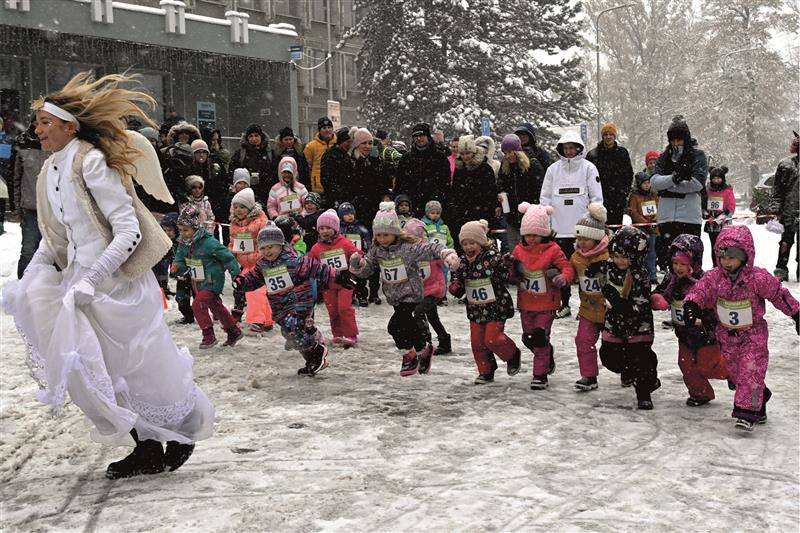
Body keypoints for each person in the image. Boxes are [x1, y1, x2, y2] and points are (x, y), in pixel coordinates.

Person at [1, 71, 213, 479]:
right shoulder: (51, 170)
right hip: (81, 284)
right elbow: (55, 234)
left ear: (69, 126)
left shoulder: (91, 161)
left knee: (142, 367)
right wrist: (34, 274)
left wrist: (92, 277)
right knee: (97, 371)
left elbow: (128, 230)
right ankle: (146, 446)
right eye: (37, 122)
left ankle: (183, 429)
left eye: (45, 122)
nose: (37, 129)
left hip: (118, 285)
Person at [683, 225, 800, 431]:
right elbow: (699, 290)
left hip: (752, 335)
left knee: (750, 370)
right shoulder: (714, 277)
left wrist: (796, 314)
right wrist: (692, 305)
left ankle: (746, 412)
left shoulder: (757, 278)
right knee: (738, 374)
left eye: (732, 258)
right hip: (726, 336)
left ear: (746, 256)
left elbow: (778, 295)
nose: (726, 263)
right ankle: (760, 398)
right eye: (723, 257)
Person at [349, 202, 459, 375]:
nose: (383, 239)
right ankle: (424, 350)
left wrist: (447, 253)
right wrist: (358, 264)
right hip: (394, 297)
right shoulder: (377, 250)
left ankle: (409, 356)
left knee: (394, 327)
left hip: (411, 294)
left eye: (386, 234)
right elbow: (368, 268)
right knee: (408, 327)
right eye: (379, 235)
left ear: (395, 233)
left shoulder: (407, 248)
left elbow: (430, 248)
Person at [234, 222, 353, 375]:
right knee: (289, 334)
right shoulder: (262, 265)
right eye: (263, 248)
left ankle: (316, 351)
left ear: (280, 244)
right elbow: (253, 279)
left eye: (271, 247)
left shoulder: (293, 260)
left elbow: (317, 268)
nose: (267, 251)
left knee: (293, 328)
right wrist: (242, 282)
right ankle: (311, 358)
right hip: (280, 307)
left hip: (299, 303)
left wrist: (338, 276)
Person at [650, 234, 728, 407]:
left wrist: (703, 319)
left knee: (708, 366)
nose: (678, 268)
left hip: (706, 334)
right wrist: (658, 299)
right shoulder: (671, 280)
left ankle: (731, 371)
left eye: (683, 264)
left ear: (694, 263)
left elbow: (717, 307)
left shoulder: (705, 281)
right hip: (684, 334)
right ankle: (700, 393)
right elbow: (660, 292)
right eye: (675, 263)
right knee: (686, 365)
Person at [539, 130, 603, 319]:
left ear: (578, 148)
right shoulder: (553, 170)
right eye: (565, 148)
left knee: (586, 270)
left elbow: (596, 198)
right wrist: (546, 219)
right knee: (563, 270)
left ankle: (586, 305)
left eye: (571, 148)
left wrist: (593, 220)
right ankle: (564, 304)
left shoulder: (589, 168)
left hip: (582, 230)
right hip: (559, 229)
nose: (568, 151)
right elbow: (545, 197)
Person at [511, 204, 574, 389]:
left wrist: (563, 278)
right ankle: (547, 353)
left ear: (545, 233)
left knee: (539, 337)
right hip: (526, 302)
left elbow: (567, 267)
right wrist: (512, 271)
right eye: (528, 234)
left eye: (535, 235)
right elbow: (511, 271)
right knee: (528, 338)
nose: (531, 239)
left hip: (547, 303)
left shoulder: (553, 250)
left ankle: (540, 375)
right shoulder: (519, 250)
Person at [449, 219, 519, 384]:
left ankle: (512, 354)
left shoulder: (492, 257)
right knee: (477, 343)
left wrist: (507, 266)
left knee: (493, 338)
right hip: (475, 309)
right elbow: (457, 279)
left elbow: (505, 276)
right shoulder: (462, 262)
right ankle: (486, 371)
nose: (468, 247)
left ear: (481, 242)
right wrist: (456, 287)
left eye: (472, 243)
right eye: (465, 244)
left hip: (496, 306)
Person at [599, 226, 660, 410]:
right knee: (609, 357)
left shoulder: (640, 276)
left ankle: (644, 391)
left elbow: (637, 306)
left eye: (625, 257)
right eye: (616, 256)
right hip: (614, 325)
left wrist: (617, 301)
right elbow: (603, 266)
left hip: (637, 326)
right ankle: (631, 372)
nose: (620, 261)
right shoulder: (611, 267)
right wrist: (595, 267)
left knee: (640, 360)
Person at [173, 205, 243, 349]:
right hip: (197, 281)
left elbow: (228, 257)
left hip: (212, 279)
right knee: (216, 307)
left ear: (195, 227)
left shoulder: (209, 242)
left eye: (185, 230)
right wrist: (177, 266)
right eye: (180, 230)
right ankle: (233, 330)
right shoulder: (183, 243)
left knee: (198, 304)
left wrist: (236, 274)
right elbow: (180, 257)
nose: (183, 233)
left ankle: (208, 335)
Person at [650, 115, 707, 272]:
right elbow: (654, 182)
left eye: (679, 140)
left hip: (689, 218)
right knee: (671, 261)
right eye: (673, 140)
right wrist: (674, 179)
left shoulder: (698, 155)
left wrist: (667, 187)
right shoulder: (664, 157)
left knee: (691, 261)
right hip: (666, 217)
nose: (676, 143)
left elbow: (697, 183)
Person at [569, 203, 610, 391]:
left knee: (615, 345)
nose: (581, 242)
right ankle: (589, 376)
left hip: (610, 310)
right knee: (583, 340)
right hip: (587, 309)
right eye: (579, 238)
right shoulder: (576, 257)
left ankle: (628, 372)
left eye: (586, 238)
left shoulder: (609, 257)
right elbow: (571, 272)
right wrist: (563, 277)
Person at [309, 209, 362, 347]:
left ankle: (351, 335)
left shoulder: (344, 243)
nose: (325, 231)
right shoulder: (316, 248)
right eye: (321, 228)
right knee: (332, 311)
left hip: (345, 282)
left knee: (344, 308)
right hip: (328, 284)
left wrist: (358, 259)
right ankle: (337, 334)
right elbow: (309, 263)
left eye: (328, 228)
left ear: (335, 228)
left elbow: (356, 253)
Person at [228, 187, 275, 335]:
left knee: (254, 291)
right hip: (245, 263)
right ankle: (267, 320)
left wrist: (263, 255)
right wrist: (230, 253)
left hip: (259, 262)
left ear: (250, 207)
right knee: (259, 291)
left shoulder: (261, 222)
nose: (238, 210)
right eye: (235, 206)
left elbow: (268, 240)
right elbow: (233, 243)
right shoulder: (234, 225)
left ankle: (257, 321)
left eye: (242, 206)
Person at [404, 218, 452, 355]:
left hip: (435, 289)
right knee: (432, 317)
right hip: (423, 290)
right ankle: (444, 341)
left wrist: (448, 258)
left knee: (418, 312)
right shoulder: (409, 252)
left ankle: (425, 341)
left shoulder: (429, 249)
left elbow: (442, 258)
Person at [496, 133, 545, 251]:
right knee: (513, 248)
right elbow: (500, 183)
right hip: (511, 214)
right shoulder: (505, 166)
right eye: (505, 153)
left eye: (510, 152)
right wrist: (501, 196)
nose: (507, 156)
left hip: (529, 214)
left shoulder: (532, 165)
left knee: (530, 249)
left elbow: (539, 189)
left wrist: (534, 208)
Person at [13, 117, 49, 278]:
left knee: (55, 252)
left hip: (54, 209)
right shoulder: (22, 143)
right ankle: (22, 288)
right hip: (30, 208)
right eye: (37, 122)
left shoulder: (58, 142)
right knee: (28, 251)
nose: (39, 127)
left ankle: (48, 290)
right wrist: (16, 207)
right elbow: (15, 177)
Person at [395, 122, 451, 218]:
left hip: (433, 207)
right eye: (415, 136)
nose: (419, 138)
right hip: (411, 206)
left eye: (421, 135)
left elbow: (445, 182)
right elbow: (400, 182)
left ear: (428, 136)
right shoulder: (406, 158)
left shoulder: (439, 157)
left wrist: (438, 197)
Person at [450, 135, 498, 243]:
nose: (465, 157)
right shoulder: (459, 169)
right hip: (462, 213)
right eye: (462, 154)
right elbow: (455, 191)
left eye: (468, 153)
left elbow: (490, 193)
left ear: (473, 152)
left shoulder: (485, 169)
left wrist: (487, 213)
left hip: (480, 212)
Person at [586, 122, 634, 226]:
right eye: (605, 134)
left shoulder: (622, 153)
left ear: (614, 136)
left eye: (610, 134)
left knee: (614, 229)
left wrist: (624, 193)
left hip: (617, 200)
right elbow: (587, 177)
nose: (608, 137)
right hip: (598, 200)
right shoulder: (593, 155)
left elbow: (629, 174)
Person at [768, 131, 799, 282]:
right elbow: (778, 189)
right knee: (786, 241)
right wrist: (776, 208)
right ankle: (781, 267)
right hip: (788, 211)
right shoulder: (786, 165)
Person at [338, 202, 380, 306]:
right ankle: (354, 295)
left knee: (364, 276)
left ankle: (368, 296)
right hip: (345, 258)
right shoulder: (339, 229)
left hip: (360, 256)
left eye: (351, 213)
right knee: (349, 278)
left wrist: (367, 251)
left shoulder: (360, 227)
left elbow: (367, 240)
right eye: (347, 214)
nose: (350, 216)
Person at [349, 128, 391, 229]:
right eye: (364, 143)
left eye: (370, 143)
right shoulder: (351, 162)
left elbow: (385, 183)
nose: (367, 146)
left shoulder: (377, 161)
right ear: (357, 144)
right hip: (357, 208)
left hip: (375, 207)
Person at [229, 123, 273, 203]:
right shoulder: (241, 153)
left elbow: (273, 171)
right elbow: (232, 171)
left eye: (256, 135)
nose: (254, 139)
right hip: (245, 193)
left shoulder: (269, 153)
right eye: (251, 136)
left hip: (266, 192)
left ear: (261, 137)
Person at [628, 171, 659, 283]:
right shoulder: (634, 196)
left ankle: (652, 275)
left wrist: (655, 219)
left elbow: (658, 207)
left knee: (652, 252)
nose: (647, 185)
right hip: (641, 228)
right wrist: (645, 223)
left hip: (653, 228)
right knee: (640, 252)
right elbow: (634, 212)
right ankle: (639, 273)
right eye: (644, 183)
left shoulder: (654, 194)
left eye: (648, 182)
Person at [703, 166, 735, 267]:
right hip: (711, 223)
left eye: (719, 178)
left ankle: (724, 265)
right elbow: (703, 204)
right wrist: (706, 214)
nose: (716, 180)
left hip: (724, 223)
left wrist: (722, 216)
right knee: (714, 246)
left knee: (724, 245)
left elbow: (731, 206)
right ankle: (715, 265)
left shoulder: (727, 191)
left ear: (723, 179)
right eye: (714, 178)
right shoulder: (707, 191)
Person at [320, 126, 354, 208]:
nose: (350, 145)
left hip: (346, 197)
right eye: (347, 142)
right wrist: (338, 193)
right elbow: (326, 179)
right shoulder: (330, 155)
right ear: (341, 142)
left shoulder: (347, 156)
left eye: (351, 142)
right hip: (334, 199)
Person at [303, 117, 336, 194]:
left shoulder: (337, 143)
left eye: (329, 127)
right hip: (317, 187)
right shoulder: (311, 146)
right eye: (324, 128)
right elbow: (307, 166)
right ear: (319, 130)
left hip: (335, 185)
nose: (327, 130)